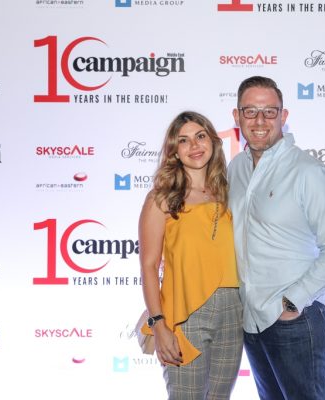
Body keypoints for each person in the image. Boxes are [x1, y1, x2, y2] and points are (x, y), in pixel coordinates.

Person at [228, 76, 325, 400]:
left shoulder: (308, 172)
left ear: (283, 116)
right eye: (250, 111)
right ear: (237, 116)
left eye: (269, 112)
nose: (259, 121)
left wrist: (293, 301)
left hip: (297, 318)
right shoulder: (235, 169)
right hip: (251, 320)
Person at [138, 111, 243, 399]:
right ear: (174, 150)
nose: (194, 145)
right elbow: (149, 266)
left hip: (233, 311)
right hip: (185, 314)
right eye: (183, 140)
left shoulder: (230, 193)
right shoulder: (161, 198)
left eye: (200, 136)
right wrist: (159, 325)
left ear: (213, 141)